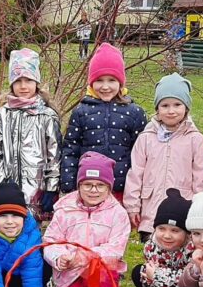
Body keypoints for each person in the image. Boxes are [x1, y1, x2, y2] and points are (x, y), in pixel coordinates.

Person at [43, 152, 130, 287]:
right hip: (70, 273)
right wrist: (59, 257)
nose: (93, 190)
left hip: (100, 272)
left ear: (109, 187)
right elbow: (51, 241)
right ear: (79, 185)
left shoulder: (118, 213)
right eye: (87, 184)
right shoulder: (64, 210)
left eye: (100, 185)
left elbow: (115, 248)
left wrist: (82, 257)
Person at [123, 73, 203, 240]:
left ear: (186, 108)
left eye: (177, 105)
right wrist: (132, 206)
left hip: (183, 207)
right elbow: (135, 174)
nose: (171, 111)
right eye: (165, 105)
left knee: (181, 255)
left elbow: (200, 177)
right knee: (152, 256)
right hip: (151, 209)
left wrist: (199, 208)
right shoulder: (146, 138)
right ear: (157, 109)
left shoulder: (195, 138)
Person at [60, 43, 147, 200]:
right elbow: (70, 150)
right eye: (99, 80)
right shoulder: (81, 112)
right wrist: (68, 185)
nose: (105, 86)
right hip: (89, 189)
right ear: (91, 82)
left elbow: (141, 154)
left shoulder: (134, 113)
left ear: (120, 82)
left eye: (111, 80)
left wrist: (139, 188)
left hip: (122, 188)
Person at [0, 48, 61, 220]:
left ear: (36, 82)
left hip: (37, 190)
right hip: (9, 190)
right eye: (18, 81)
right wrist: (2, 184)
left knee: (34, 236)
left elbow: (55, 154)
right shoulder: (2, 114)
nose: (23, 86)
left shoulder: (46, 115)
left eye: (28, 80)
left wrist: (51, 187)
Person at [132, 189, 194, 287]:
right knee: (139, 272)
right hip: (163, 284)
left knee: (193, 286)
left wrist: (157, 275)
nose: (166, 235)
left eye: (175, 230)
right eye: (161, 228)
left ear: (187, 233)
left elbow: (189, 280)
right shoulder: (151, 246)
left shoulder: (192, 249)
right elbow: (151, 273)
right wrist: (152, 276)